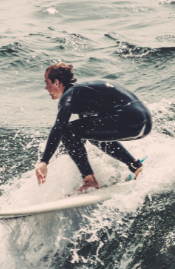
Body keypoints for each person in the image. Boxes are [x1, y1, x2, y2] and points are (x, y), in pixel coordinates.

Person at [34, 62, 152, 192]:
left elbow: (59, 128)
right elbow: (81, 135)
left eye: (47, 83)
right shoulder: (84, 93)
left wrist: (44, 161)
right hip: (144, 123)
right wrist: (60, 152)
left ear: (56, 82)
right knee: (92, 134)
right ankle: (136, 167)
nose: (46, 88)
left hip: (127, 120)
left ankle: (89, 181)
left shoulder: (69, 96)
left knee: (67, 129)